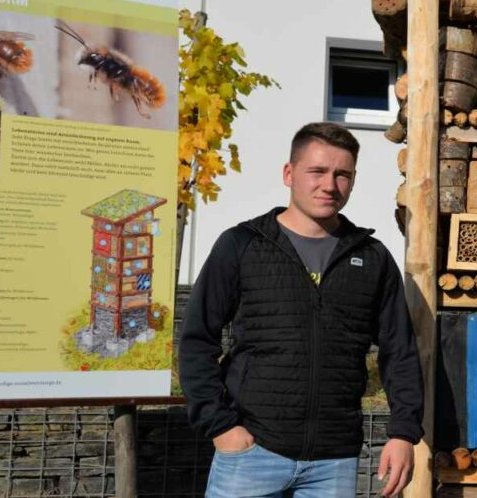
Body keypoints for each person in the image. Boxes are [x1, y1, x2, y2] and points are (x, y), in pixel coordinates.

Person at [180, 122, 424, 498]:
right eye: (318, 171)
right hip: (251, 452)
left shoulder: (372, 258)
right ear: (289, 174)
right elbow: (197, 342)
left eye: (343, 174)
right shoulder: (242, 246)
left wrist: (404, 432)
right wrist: (221, 427)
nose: (330, 185)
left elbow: (400, 353)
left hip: (334, 461)